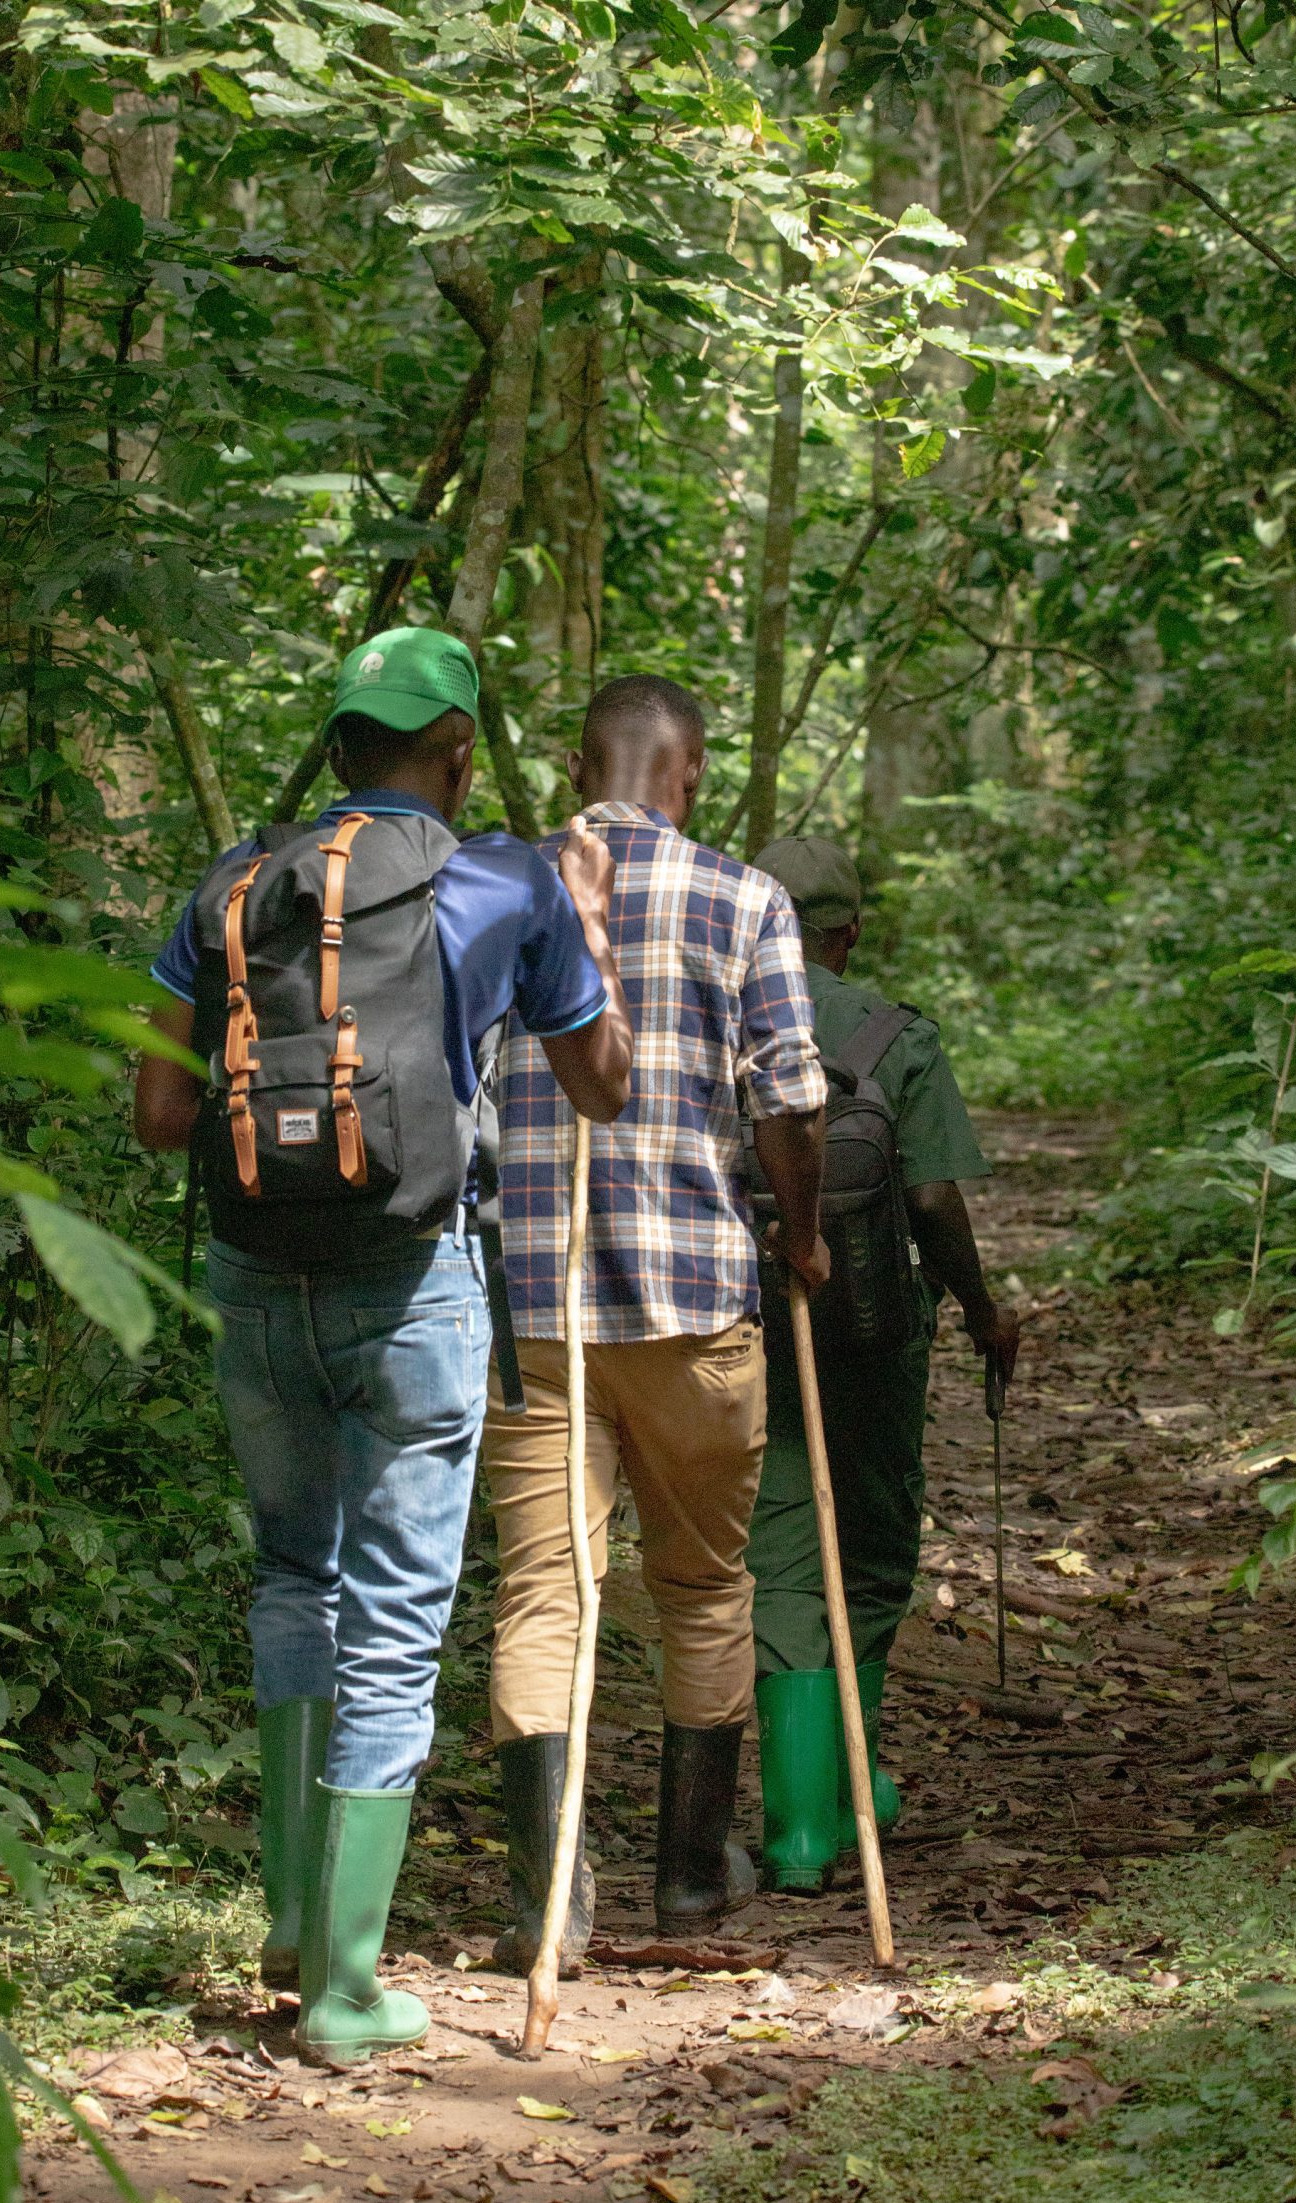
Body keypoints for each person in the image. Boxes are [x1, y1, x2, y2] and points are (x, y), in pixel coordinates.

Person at [133, 626, 633, 2068]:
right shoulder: (505, 881)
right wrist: (586, 926)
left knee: (294, 1577)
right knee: (398, 1616)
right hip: (413, 1282)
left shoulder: (238, 883)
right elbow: (601, 1084)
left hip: (253, 1283)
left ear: (341, 743)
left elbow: (159, 1116)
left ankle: (295, 1924)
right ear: (459, 749)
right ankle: (345, 1991)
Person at [483, 675, 828, 1971]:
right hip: (693, 1307)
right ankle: (685, 1876)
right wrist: (801, 1236)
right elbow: (789, 1100)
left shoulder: (497, 889)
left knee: (542, 1596)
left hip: (532, 1305)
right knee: (703, 1588)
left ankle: (545, 1904)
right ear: (693, 775)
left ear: (580, 766)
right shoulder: (746, 899)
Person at [746, 834, 1019, 1889]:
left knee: (778, 1550)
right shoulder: (896, 1036)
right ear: (849, 932)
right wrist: (982, 1310)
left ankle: (798, 1826)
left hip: (738, 1324)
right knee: (867, 1544)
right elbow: (933, 1199)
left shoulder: (712, 1020)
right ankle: (845, 1791)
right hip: (869, 1330)